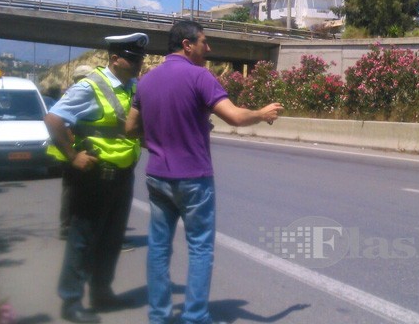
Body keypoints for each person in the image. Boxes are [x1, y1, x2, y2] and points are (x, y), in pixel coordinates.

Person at [125, 21, 282, 324]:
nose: (207, 48)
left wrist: (158, 140)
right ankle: (195, 317)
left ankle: (158, 316)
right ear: (187, 44)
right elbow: (235, 117)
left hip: (158, 176)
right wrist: (262, 114)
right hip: (193, 179)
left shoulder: (145, 81)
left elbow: (131, 127)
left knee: (158, 248)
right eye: (203, 42)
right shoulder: (200, 77)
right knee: (200, 249)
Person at [45, 33, 148, 323]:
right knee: (83, 238)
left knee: (111, 239)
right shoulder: (91, 87)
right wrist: (72, 155)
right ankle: (71, 300)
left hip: (123, 175)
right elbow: (53, 119)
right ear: (114, 59)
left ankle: (101, 293)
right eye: (132, 58)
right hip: (94, 176)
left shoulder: (133, 88)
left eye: (140, 58)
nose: (138, 63)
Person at [57, 64, 94, 240]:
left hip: (73, 150)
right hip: (71, 151)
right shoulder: (75, 96)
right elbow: (65, 125)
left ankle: (74, 224)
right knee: (72, 190)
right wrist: (73, 151)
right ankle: (67, 226)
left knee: (74, 190)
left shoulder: (76, 94)